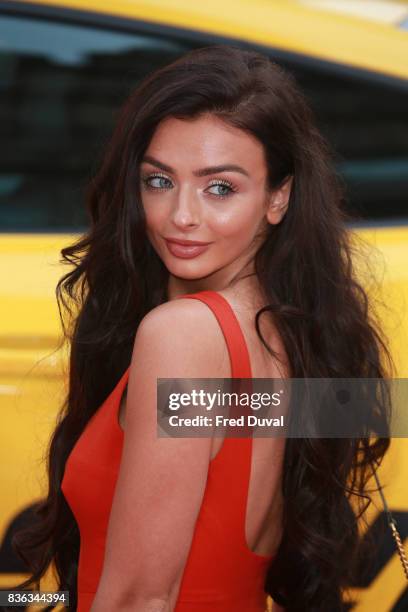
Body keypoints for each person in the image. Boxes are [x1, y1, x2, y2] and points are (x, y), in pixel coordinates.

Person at [13, 45, 394, 612]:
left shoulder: (185, 335)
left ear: (278, 197)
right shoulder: (289, 329)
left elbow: (140, 598)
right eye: (159, 181)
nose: (181, 216)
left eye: (220, 188)